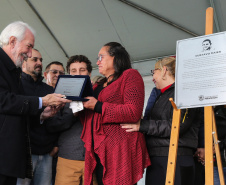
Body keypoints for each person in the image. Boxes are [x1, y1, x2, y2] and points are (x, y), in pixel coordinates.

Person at [0, 21, 70, 185]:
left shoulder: (13, 70)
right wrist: (42, 101)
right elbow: (3, 100)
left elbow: (14, 111)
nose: (30, 53)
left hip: (10, 158)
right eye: (29, 46)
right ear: (12, 42)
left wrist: (41, 115)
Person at [121, 57, 200, 185]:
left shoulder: (185, 92)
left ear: (164, 70)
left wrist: (142, 125)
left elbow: (178, 125)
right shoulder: (161, 95)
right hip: (156, 157)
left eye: (154, 71)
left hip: (177, 156)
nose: (152, 77)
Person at [81, 42, 151, 185]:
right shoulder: (98, 84)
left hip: (120, 149)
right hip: (99, 149)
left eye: (101, 57)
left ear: (115, 57)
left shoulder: (130, 75)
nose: (97, 62)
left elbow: (133, 112)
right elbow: (90, 116)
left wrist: (98, 105)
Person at [45, 55, 97, 185]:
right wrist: (73, 113)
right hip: (67, 158)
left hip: (93, 159)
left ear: (89, 73)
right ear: (69, 74)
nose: (78, 74)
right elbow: (52, 125)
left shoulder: (98, 96)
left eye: (82, 70)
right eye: (74, 71)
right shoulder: (60, 96)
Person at [16, 49, 59, 185]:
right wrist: (40, 116)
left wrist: (55, 146)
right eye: (34, 60)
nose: (39, 63)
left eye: (40, 60)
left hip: (46, 153)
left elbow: (57, 120)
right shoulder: (16, 87)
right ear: (23, 62)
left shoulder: (49, 90)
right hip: (22, 154)